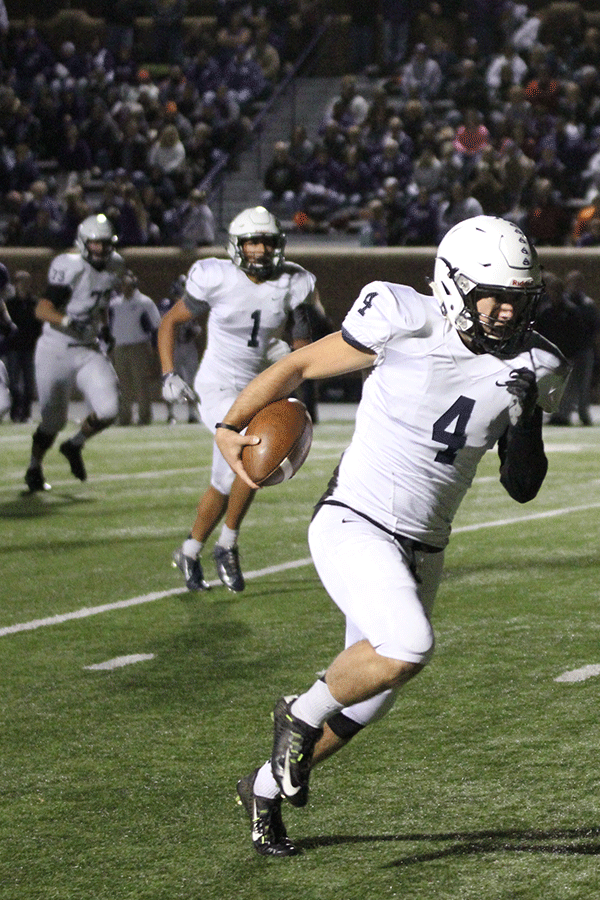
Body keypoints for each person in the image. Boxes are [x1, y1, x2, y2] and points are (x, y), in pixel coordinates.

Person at [213, 216, 570, 857]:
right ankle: (297, 712)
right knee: (407, 645)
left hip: (426, 544)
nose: (503, 311)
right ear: (452, 284)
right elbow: (298, 364)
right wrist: (230, 423)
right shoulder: (404, 316)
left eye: (517, 298)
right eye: (491, 294)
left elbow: (522, 487)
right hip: (355, 517)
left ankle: (262, 786)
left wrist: (527, 421)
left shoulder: (538, 363)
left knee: (374, 698)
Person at [158, 206, 319, 593]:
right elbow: (170, 321)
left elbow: (303, 340)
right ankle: (227, 545)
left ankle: (192, 549)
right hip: (217, 383)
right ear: (237, 245)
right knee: (248, 450)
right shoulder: (216, 277)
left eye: (266, 241)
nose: (260, 250)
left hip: (260, 382)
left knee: (231, 477)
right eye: (252, 242)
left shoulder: (293, 282)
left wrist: (291, 360)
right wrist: (168, 374)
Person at [24, 214, 125, 492]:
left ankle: (74, 444)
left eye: (105, 244)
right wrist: (68, 321)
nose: (100, 250)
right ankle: (34, 466)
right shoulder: (69, 266)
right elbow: (42, 310)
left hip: (87, 348)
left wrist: (104, 327)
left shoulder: (115, 265)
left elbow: (100, 300)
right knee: (53, 421)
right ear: (83, 243)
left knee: (109, 409)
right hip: (55, 349)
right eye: (95, 244)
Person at [109, 269, 161, 426]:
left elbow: (156, 325)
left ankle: (144, 417)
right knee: (123, 385)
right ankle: (125, 417)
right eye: (123, 285)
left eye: (128, 285)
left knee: (141, 383)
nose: (125, 288)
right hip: (120, 346)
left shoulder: (144, 302)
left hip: (138, 346)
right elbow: (111, 325)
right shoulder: (115, 304)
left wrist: (153, 348)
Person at [3, 269, 42, 422]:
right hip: (14, 347)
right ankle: (15, 413)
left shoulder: (34, 303)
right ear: (16, 284)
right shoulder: (10, 304)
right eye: (22, 282)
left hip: (29, 348)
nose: (25, 286)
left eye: (27, 282)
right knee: (13, 383)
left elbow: (39, 325)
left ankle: (26, 414)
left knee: (28, 384)